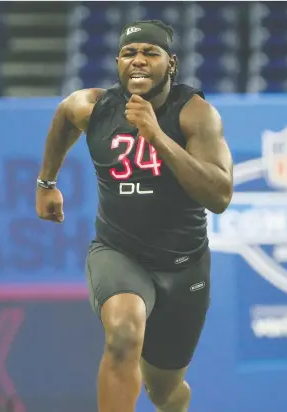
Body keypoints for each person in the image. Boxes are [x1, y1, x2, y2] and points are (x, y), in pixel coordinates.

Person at [36, 19, 233, 412]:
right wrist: (46, 183)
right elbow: (63, 114)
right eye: (129, 53)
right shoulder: (93, 106)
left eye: (150, 52)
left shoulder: (196, 114)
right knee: (123, 335)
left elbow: (219, 195)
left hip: (184, 266)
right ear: (118, 62)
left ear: (171, 63)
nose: (138, 60)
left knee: (165, 392)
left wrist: (156, 134)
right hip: (119, 252)